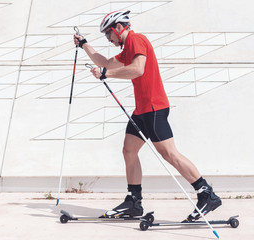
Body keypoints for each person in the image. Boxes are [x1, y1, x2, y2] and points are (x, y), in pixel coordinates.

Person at [73, 10, 222, 221]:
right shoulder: (127, 48)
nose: (109, 39)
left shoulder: (136, 39)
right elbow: (105, 62)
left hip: (153, 108)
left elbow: (138, 69)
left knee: (169, 154)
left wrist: (107, 74)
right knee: (129, 150)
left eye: (108, 34)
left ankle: (207, 193)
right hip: (141, 111)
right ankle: (134, 201)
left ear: (117, 28)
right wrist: (84, 44)